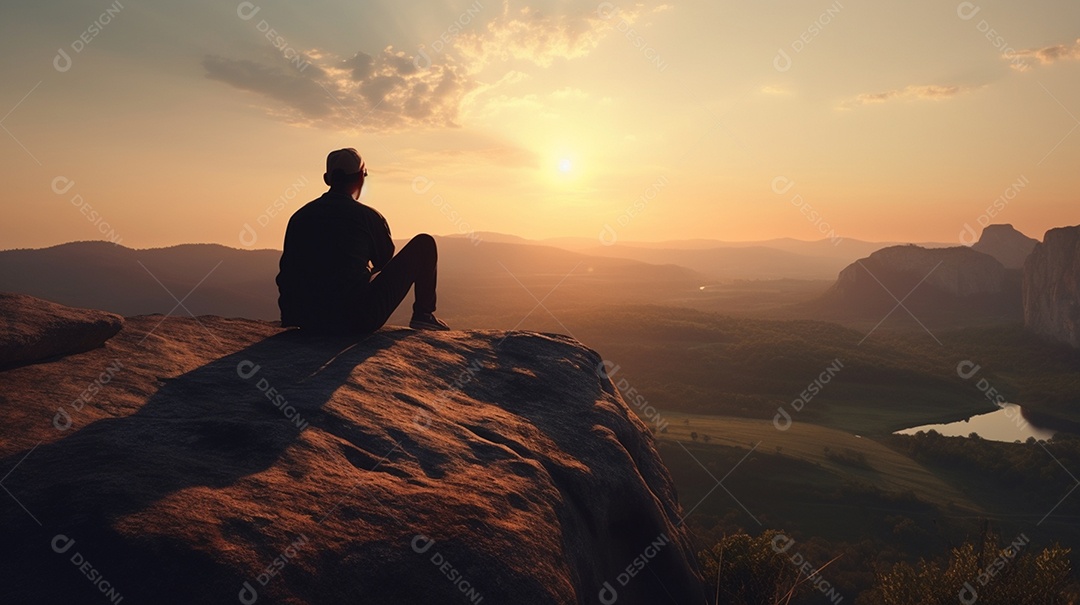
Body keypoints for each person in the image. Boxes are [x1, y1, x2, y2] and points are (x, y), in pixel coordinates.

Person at [276, 148, 450, 333]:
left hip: (304, 318)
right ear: (361, 177)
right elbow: (384, 262)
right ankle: (423, 315)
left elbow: (287, 271)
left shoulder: (300, 217)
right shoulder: (368, 217)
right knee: (424, 244)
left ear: (327, 179)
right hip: (355, 319)